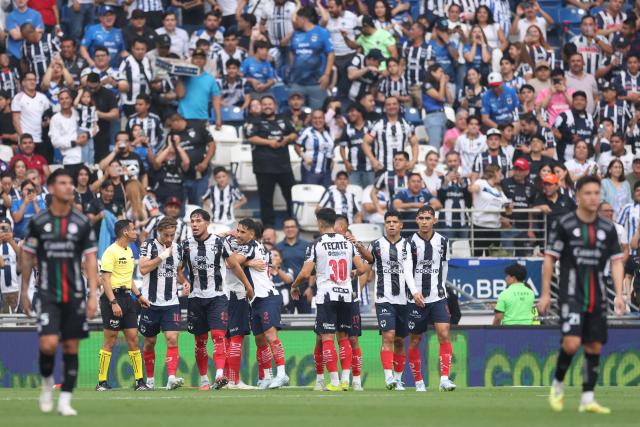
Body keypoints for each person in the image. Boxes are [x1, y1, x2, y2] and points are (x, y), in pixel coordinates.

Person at [540, 175, 624, 414]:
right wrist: (546, 293)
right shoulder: (565, 224)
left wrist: (619, 294)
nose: (592, 197)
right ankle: (558, 383)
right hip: (571, 293)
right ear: (578, 196)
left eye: (596, 193)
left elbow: (617, 262)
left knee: (594, 346)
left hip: (598, 295)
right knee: (571, 343)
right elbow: (549, 259)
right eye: (587, 193)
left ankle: (588, 398)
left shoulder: (607, 228)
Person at [19, 169, 98, 416]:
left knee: (71, 347)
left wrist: (93, 293)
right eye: (63, 183)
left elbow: (91, 259)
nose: (68, 187)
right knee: (48, 343)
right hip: (46, 292)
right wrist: (24, 289)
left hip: (74, 294)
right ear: (51, 189)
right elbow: (28, 256)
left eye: (70, 183)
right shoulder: (39, 222)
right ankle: (46, 384)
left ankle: (65, 400)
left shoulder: (82, 222)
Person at [291, 208, 367, 391]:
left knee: (326, 338)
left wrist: (295, 285)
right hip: (347, 295)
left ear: (319, 223)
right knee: (344, 337)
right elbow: (363, 269)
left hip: (326, 295)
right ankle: (346, 380)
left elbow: (305, 273)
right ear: (334, 223)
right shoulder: (348, 243)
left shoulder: (316, 244)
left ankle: (333, 381)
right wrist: (348, 273)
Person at [183, 209, 253, 390]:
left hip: (218, 296)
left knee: (218, 336)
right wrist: (183, 282)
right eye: (192, 221)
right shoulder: (185, 245)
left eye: (198, 221)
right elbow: (177, 268)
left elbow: (234, 265)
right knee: (200, 341)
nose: (195, 224)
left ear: (207, 223)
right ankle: (205, 380)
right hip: (196, 298)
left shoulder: (219, 243)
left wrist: (247, 285)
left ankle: (220, 376)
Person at [367, 210, 421, 389]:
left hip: (404, 300)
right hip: (384, 298)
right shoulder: (375, 245)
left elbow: (415, 271)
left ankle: (398, 379)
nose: (391, 224)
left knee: (399, 340)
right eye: (388, 221)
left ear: (401, 225)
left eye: (394, 222)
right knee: (388, 336)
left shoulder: (409, 245)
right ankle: (388, 377)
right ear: (384, 224)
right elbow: (366, 268)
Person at [96, 219, 151, 392]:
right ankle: (102, 382)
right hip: (112, 298)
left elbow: (128, 279)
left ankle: (140, 382)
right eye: (134, 229)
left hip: (128, 298)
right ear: (125, 232)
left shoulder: (129, 251)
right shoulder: (110, 252)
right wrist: (113, 302)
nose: (136, 232)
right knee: (110, 340)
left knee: (133, 339)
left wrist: (139, 295)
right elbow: (105, 279)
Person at [234, 218, 290, 389]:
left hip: (267, 297)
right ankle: (266, 376)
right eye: (238, 231)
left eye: (242, 232)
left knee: (271, 337)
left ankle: (282, 374)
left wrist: (244, 261)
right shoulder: (258, 248)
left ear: (252, 234)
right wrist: (249, 262)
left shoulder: (250, 246)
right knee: (260, 340)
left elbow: (232, 261)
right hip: (255, 300)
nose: (238, 235)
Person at [406, 205, 456, 392]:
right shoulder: (409, 243)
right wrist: (414, 292)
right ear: (417, 221)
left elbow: (444, 267)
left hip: (437, 296)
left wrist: (441, 288)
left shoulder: (443, 242)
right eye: (421, 218)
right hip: (415, 299)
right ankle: (419, 382)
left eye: (428, 218)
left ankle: (444, 378)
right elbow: (407, 271)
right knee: (415, 340)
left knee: (443, 333)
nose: (425, 222)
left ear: (434, 220)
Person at [138, 217, 189, 390]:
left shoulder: (179, 249)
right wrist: (162, 256)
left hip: (171, 302)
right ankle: (150, 380)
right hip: (150, 303)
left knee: (172, 338)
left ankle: (171, 378)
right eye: (166, 235)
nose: (169, 239)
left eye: (172, 235)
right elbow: (143, 268)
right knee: (150, 341)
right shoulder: (148, 245)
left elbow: (178, 271)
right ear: (159, 231)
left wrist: (185, 282)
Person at [245, 95, 297, 227]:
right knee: (266, 199)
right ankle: (268, 227)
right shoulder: (254, 120)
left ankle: (292, 222)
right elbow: (250, 138)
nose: (268, 106)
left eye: (270, 104)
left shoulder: (284, 119)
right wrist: (269, 142)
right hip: (264, 168)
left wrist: (286, 139)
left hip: (284, 166)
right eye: (265, 104)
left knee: (291, 196)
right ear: (261, 107)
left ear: (275, 106)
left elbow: (294, 133)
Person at [289, 6, 335, 109]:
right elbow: (292, 52)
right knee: (296, 115)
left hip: (316, 83)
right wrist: (292, 67)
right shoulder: (296, 34)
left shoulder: (322, 32)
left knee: (317, 114)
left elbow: (331, 54)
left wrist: (327, 75)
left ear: (304, 19)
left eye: (297, 18)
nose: (295, 21)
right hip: (297, 82)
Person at [166, 113, 215, 206]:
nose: (170, 128)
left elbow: (212, 145)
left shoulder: (197, 126)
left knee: (198, 202)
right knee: (182, 204)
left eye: (170, 125)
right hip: (182, 175)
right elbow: (170, 154)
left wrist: (205, 163)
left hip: (201, 173)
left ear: (176, 121)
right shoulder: (172, 135)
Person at [362, 96, 418, 173]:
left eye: (394, 104)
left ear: (399, 106)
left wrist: (413, 161)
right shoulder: (377, 124)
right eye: (388, 104)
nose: (392, 106)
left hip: (402, 170)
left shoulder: (407, 124)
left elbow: (415, 144)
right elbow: (365, 143)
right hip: (382, 168)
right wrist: (373, 160)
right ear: (385, 107)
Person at [470, 164, 511, 256]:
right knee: (477, 256)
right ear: (495, 172)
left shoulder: (499, 190)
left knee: (493, 257)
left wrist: (509, 208)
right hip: (479, 226)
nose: (501, 175)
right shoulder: (481, 182)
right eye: (500, 173)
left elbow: (507, 208)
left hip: (495, 227)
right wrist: (473, 187)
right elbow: (473, 189)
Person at [175, 48, 222, 129]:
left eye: (201, 58)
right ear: (192, 60)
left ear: (205, 61)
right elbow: (179, 95)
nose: (198, 60)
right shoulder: (184, 76)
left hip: (202, 118)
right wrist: (180, 77)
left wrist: (218, 118)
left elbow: (216, 99)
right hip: (183, 117)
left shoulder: (210, 79)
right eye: (196, 58)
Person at [11, 72, 52, 160]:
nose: (32, 82)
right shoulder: (18, 98)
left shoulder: (43, 97)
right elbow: (15, 120)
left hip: (41, 140)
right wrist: (22, 139)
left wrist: (47, 122)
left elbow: (48, 115)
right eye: (29, 80)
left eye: (34, 80)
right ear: (23, 82)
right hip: (26, 142)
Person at [275, 218, 311, 315]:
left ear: (297, 228)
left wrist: (310, 288)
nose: (289, 229)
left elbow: (313, 268)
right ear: (283, 229)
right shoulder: (277, 247)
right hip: (285, 289)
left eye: (292, 226)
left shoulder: (307, 245)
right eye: (287, 227)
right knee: (284, 320)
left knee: (307, 320)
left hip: (303, 288)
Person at [49, 89, 86, 177]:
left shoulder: (78, 114)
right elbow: (55, 142)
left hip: (85, 158)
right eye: (62, 99)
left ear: (71, 100)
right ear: (59, 101)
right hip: (69, 161)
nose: (64, 101)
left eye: (67, 98)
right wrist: (75, 142)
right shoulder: (55, 119)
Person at [553, 91, 596, 162]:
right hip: (565, 159)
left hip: (586, 160)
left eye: (582, 100)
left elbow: (597, 133)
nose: (579, 102)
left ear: (586, 102)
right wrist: (568, 138)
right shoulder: (564, 116)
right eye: (576, 99)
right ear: (572, 102)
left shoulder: (590, 118)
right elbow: (553, 130)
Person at [340, 104, 373, 187]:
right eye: (348, 112)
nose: (349, 114)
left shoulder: (370, 125)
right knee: (355, 193)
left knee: (369, 195)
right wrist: (346, 162)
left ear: (360, 112)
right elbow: (342, 147)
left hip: (370, 168)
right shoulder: (347, 128)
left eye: (352, 111)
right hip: (353, 168)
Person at [422, 64, 454, 148]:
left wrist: (445, 84)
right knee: (435, 145)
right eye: (440, 71)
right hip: (433, 117)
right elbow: (440, 97)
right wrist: (442, 83)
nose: (442, 74)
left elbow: (450, 100)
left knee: (446, 145)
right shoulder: (427, 85)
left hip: (443, 115)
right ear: (433, 72)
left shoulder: (440, 86)